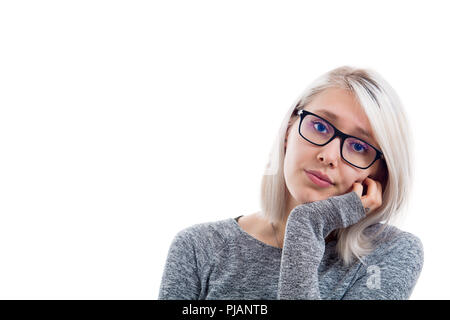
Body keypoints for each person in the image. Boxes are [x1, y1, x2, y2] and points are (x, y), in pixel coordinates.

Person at [158, 66, 424, 300]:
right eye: (320, 127)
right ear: (288, 130)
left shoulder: (388, 254)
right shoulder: (198, 248)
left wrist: (307, 223)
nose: (328, 156)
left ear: (378, 174)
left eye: (358, 146)